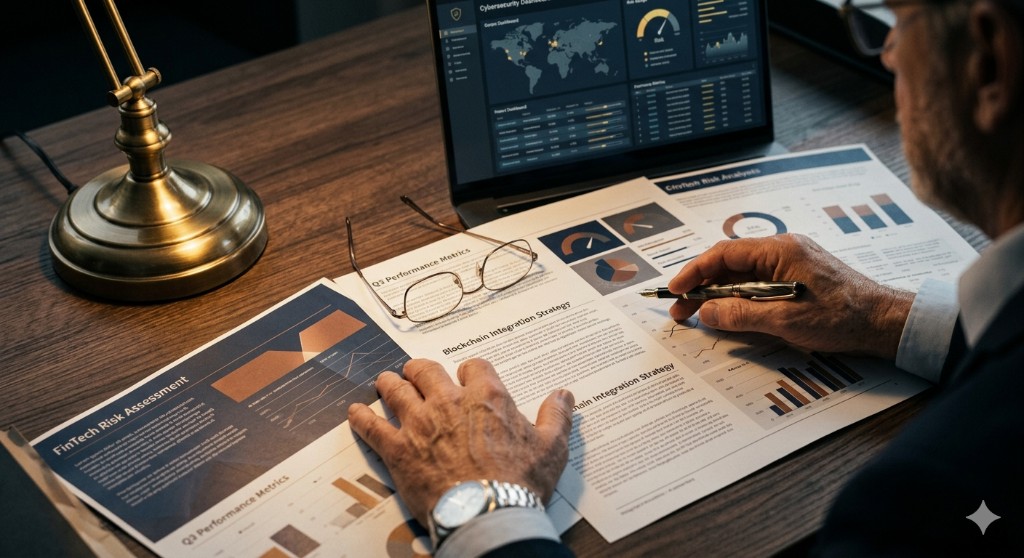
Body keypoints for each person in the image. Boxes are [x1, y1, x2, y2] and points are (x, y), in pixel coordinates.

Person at [347, 0, 1023, 555]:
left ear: (989, 60)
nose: (889, 54)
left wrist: (486, 510)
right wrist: (886, 318)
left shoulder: (922, 498)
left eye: (897, 20)